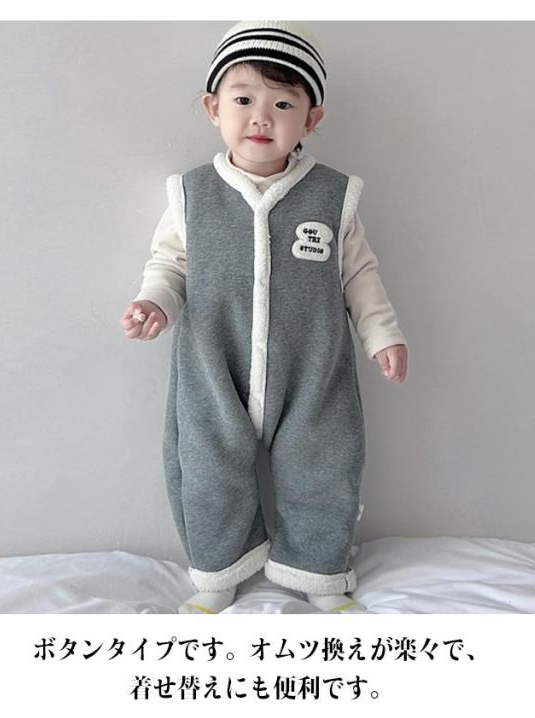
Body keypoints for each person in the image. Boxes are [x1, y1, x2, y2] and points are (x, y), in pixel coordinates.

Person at [119, 21, 408, 614]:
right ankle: (217, 570)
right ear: (213, 108)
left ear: (311, 119)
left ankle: (320, 574)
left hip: (314, 366)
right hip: (212, 362)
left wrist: (383, 334)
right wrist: (155, 303)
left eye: (282, 104)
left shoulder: (332, 196)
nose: (261, 117)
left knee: (324, 466)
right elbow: (170, 264)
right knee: (206, 468)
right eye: (243, 100)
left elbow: (359, 274)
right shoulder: (192, 194)